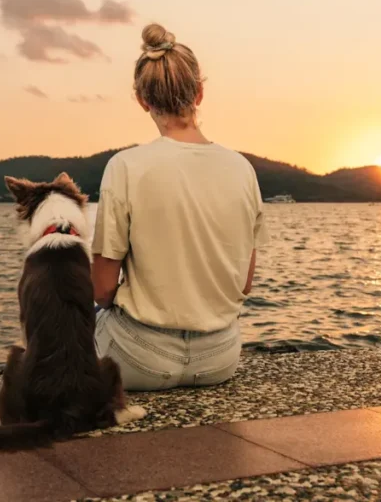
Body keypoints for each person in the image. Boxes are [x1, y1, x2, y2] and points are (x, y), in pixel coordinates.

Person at [91, 23, 268, 391]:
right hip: (220, 357)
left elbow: (103, 289)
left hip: (139, 358)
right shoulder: (242, 169)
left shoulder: (125, 167)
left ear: (142, 100)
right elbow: (245, 283)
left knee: (79, 321)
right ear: (199, 92)